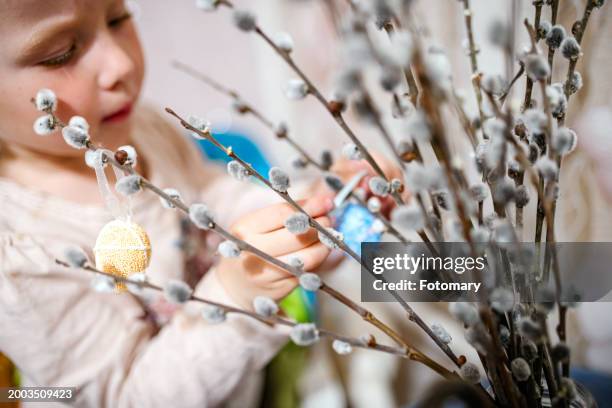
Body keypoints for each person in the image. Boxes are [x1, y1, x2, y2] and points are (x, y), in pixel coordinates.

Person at [0, 1, 402, 407]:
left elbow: (215, 199)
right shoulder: (18, 262)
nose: (120, 63)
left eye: (118, 18)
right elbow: (124, 399)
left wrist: (312, 206)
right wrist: (234, 293)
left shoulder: (141, 129)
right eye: (61, 54)